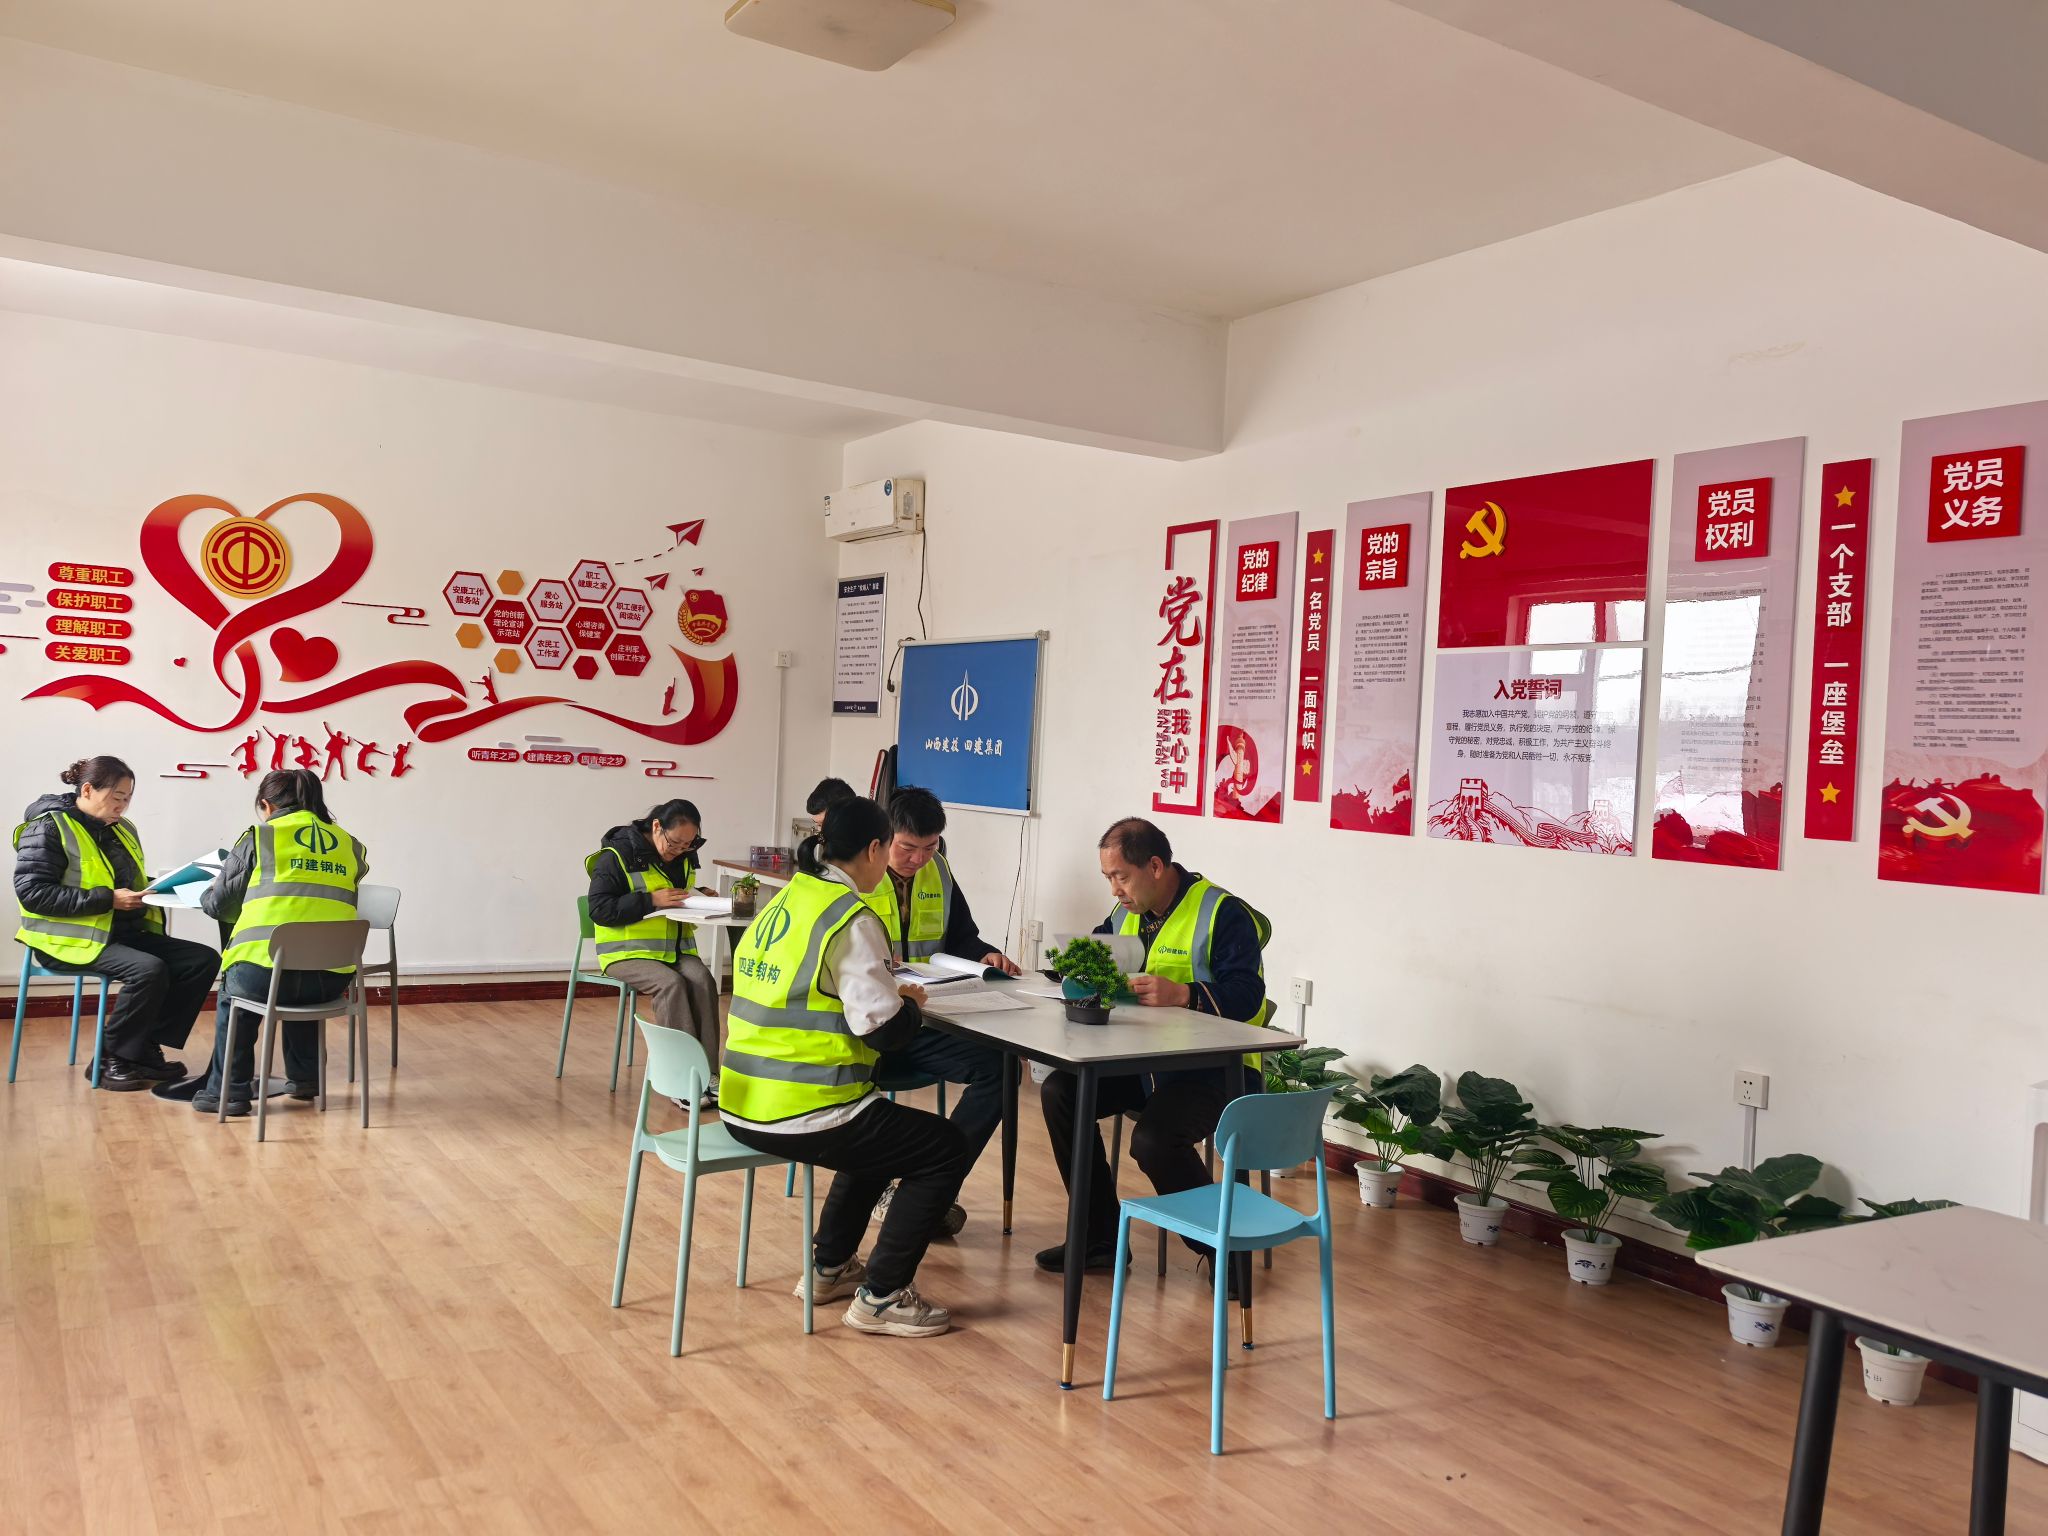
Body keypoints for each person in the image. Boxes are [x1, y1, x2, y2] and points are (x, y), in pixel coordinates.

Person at [719, 797, 969, 1338]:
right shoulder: (850, 917)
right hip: (804, 1106)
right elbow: (882, 1031)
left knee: (881, 1131)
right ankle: (882, 1297)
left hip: (743, 1100)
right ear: (875, 848)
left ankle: (829, 1267)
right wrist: (909, 1005)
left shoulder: (786, 899)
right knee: (944, 1147)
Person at [1036, 816, 1271, 1278]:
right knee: (1062, 1091)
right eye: (1108, 878)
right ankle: (1099, 1240)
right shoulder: (1125, 912)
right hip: (1145, 1064)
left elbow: (1249, 997)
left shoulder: (1222, 913)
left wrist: (1184, 994)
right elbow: (1091, 959)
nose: (1115, 890)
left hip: (1216, 1070)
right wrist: (1074, 972)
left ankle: (1223, 1251)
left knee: (1154, 1140)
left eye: (1121, 877)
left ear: (1156, 866)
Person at [864, 787, 1022, 1236]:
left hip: (920, 1021)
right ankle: (904, 1191)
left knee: (1001, 1069)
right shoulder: (855, 877)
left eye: (929, 847)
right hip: (865, 1028)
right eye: (907, 848)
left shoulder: (940, 870)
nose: (918, 859)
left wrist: (985, 954)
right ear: (883, 837)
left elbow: (962, 937)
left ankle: (928, 1190)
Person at [12, 756, 220, 1090]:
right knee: (148, 970)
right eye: (116, 797)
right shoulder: (48, 828)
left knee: (202, 960)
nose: (122, 806)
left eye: (127, 798)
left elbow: (125, 881)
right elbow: (33, 893)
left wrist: (168, 888)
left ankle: (143, 1048)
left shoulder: (122, 829)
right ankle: (111, 1058)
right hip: (65, 940)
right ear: (87, 790)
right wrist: (108, 899)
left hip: (119, 932)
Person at [195, 769, 367, 1116]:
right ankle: (305, 1080)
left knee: (237, 995)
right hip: (331, 977)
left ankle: (227, 1093)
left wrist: (206, 893)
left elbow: (221, 906)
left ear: (266, 805)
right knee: (300, 971)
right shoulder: (349, 844)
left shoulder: (261, 836)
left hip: (263, 974)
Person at [585, 799, 721, 1103]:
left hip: (673, 951)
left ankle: (709, 1074)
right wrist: (651, 901)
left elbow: (675, 893)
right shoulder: (615, 856)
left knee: (703, 980)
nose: (680, 850)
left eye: (688, 844)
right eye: (675, 843)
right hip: (625, 954)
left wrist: (699, 895)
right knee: (670, 985)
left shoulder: (684, 855)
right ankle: (680, 1079)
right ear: (657, 826)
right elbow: (599, 909)